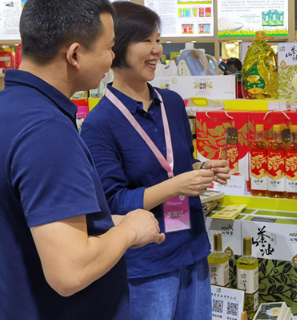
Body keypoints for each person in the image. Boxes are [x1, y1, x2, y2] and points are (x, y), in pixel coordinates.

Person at [0, 1, 165, 320]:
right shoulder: (47, 132)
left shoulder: (10, 108)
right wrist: (130, 230)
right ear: (75, 54)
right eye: (108, 48)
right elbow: (69, 271)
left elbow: (24, 219)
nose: (111, 58)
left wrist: (103, 223)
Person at [80, 2, 230, 320]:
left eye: (158, 40)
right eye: (145, 41)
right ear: (116, 47)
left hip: (192, 249)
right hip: (146, 263)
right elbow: (114, 202)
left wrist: (202, 169)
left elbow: (180, 164)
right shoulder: (99, 123)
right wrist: (177, 184)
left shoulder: (171, 103)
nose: (156, 50)